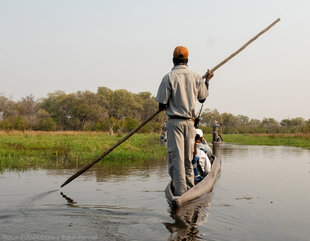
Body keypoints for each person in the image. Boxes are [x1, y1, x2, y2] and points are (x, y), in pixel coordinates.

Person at [156, 46, 214, 196]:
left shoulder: (168, 77)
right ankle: (190, 190)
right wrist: (207, 81)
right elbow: (202, 98)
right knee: (188, 158)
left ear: (173, 60)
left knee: (177, 160)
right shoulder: (195, 76)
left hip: (175, 123)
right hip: (190, 123)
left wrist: (169, 102)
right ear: (187, 60)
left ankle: (181, 193)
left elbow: (162, 104)